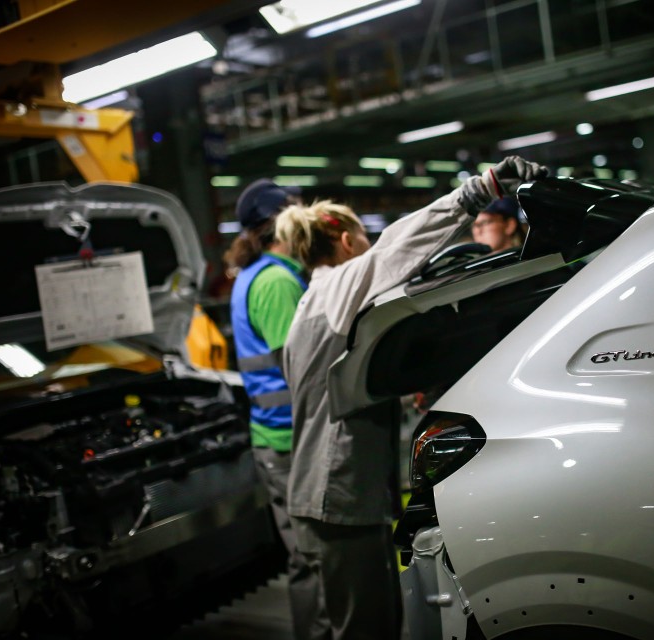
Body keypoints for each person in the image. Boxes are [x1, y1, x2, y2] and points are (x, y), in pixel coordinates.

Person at [278, 156, 549, 640]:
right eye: (362, 242)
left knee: (353, 622)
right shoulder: (342, 284)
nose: (367, 251)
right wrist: (480, 190)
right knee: (367, 629)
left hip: (320, 496)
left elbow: (333, 391)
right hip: (337, 494)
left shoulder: (309, 302)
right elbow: (400, 245)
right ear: (345, 240)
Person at [225, 178, 321, 636]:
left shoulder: (253, 275)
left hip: (275, 436)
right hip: (292, 440)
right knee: (316, 559)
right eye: (299, 209)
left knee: (306, 557)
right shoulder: (278, 281)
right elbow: (302, 367)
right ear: (280, 221)